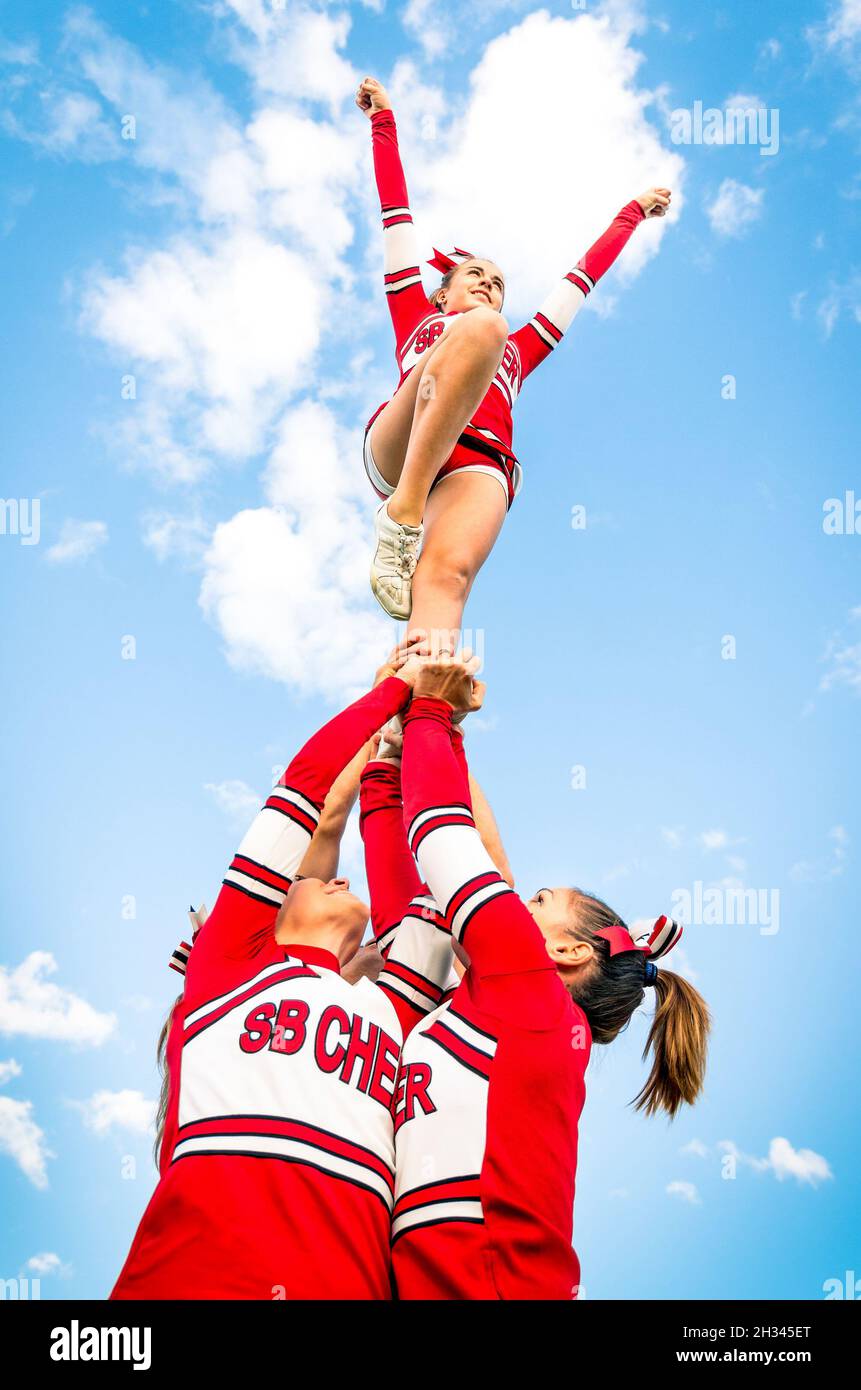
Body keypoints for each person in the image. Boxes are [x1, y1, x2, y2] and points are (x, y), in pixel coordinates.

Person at [111, 645, 453, 1301]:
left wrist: (396, 744)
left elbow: (424, 889)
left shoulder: (396, 1009)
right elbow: (304, 793)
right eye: (306, 880)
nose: (332, 875)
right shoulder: (231, 963)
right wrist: (398, 696)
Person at [391, 654, 710, 1299]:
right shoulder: (490, 1012)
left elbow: (445, 839)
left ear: (567, 953)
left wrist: (430, 712)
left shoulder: (535, 1003)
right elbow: (416, 897)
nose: (512, 902)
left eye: (536, 902)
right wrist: (403, 754)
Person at [357, 75, 672, 651]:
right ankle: (401, 516)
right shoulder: (415, 311)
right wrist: (385, 122)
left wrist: (630, 213)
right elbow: (395, 213)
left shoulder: (518, 351)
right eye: (475, 274)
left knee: (446, 578)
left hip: (477, 461)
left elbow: (581, 279)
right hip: (403, 443)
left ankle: (418, 701)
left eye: (499, 283)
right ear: (440, 295)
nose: (489, 284)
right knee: (483, 331)